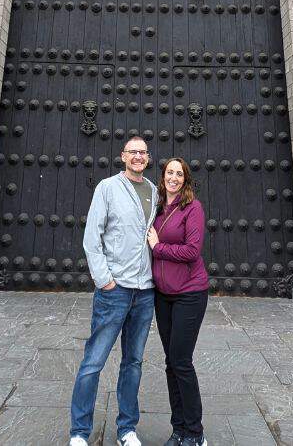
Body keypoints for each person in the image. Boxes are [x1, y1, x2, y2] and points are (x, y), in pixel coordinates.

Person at [69, 136, 159, 446]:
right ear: (123, 156)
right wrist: (104, 279)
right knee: (93, 362)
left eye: (143, 152)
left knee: (133, 362)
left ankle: (127, 429)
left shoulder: (154, 191)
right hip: (115, 289)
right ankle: (79, 432)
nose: (138, 156)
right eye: (133, 152)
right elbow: (92, 236)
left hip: (145, 291)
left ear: (148, 158)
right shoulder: (107, 188)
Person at [147, 158, 209, 446]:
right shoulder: (157, 207)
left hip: (189, 294)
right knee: (171, 363)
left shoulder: (192, 208)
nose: (173, 177)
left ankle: (195, 433)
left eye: (179, 174)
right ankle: (179, 428)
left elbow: (192, 251)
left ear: (185, 179)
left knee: (182, 361)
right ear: (163, 177)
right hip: (163, 295)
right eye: (169, 172)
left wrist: (158, 247)